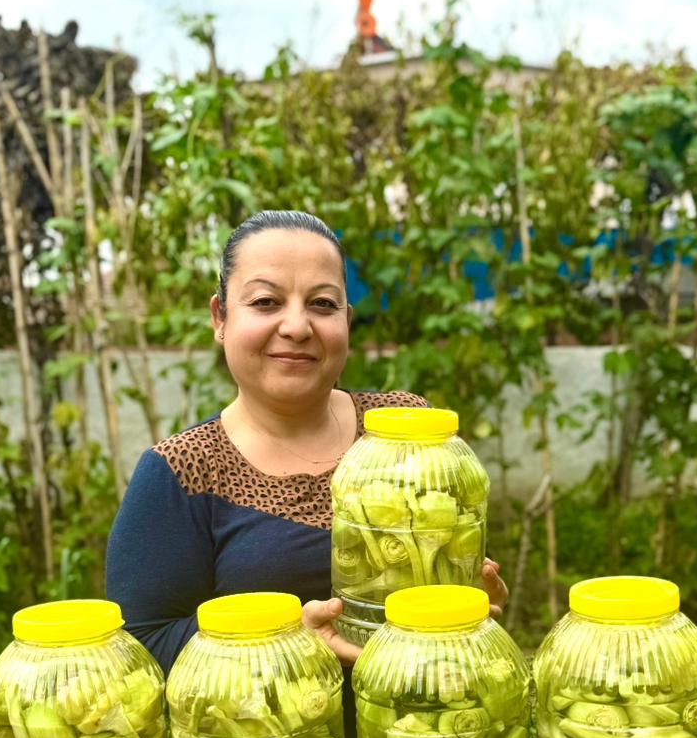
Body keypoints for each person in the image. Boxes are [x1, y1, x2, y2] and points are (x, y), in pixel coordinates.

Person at [105, 209, 507, 678]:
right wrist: (286, 641)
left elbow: (458, 565)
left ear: (347, 320)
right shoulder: (183, 469)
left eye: (322, 304)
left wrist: (477, 605)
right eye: (265, 302)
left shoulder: (404, 433)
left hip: (419, 730)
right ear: (220, 317)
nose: (297, 326)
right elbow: (139, 649)